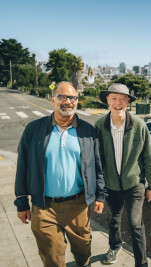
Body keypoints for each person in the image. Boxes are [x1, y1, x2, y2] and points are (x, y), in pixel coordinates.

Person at [14, 81, 107, 267]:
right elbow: (23, 165)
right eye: (62, 97)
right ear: (53, 100)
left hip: (78, 206)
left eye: (72, 98)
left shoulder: (88, 131)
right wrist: (21, 201)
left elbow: (97, 166)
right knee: (52, 259)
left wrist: (101, 195)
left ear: (77, 101)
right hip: (44, 207)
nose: (68, 102)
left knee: (83, 254)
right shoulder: (34, 130)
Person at [94, 83, 151, 266]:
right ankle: (114, 246)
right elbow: (96, 159)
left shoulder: (139, 125)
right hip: (110, 185)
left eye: (122, 99)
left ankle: (141, 263)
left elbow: (148, 156)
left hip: (134, 184)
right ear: (107, 100)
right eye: (114, 98)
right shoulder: (100, 125)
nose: (118, 103)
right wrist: (98, 188)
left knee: (134, 224)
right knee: (112, 220)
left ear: (128, 101)